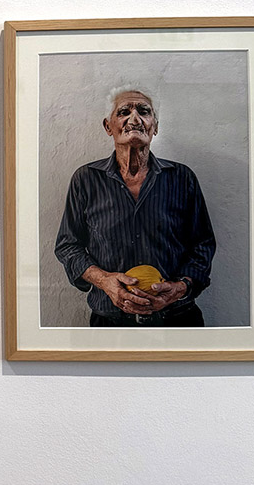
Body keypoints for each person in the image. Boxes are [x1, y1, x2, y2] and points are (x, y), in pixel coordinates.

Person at [54, 87, 216, 326]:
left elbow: (203, 244)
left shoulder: (182, 178)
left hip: (177, 318)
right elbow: (68, 245)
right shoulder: (86, 179)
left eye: (144, 111)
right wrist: (104, 281)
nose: (135, 119)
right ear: (108, 126)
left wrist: (180, 287)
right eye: (124, 112)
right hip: (110, 321)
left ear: (155, 126)